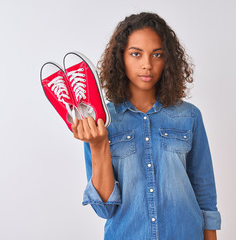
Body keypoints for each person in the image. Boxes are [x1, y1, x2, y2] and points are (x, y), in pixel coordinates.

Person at [71, 12, 221, 240]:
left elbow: (204, 189)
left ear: (167, 59)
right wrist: (98, 144)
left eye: (157, 54)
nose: (147, 65)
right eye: (136, 54)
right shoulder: (100, 121)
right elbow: (104, 209)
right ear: (121, 58)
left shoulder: (189, 116)